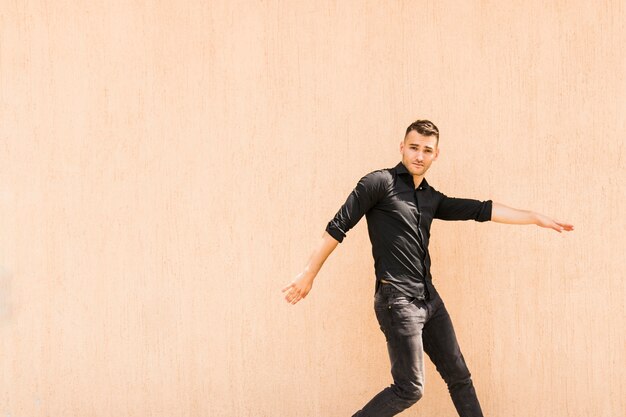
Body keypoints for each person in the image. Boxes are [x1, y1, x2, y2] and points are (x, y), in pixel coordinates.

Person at [281, 119, 574, 417]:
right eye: (413, 148)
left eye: (426, 150)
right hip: (397, 300)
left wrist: (535, 217)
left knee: (460, 377)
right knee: (409, 388)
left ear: (436, 155)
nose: (419, 156)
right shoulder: (379, 183)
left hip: (429, 300)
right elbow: (337, 227)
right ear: (402, 148)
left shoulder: (431, 199)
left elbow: (481, 209)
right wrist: (309, 274)